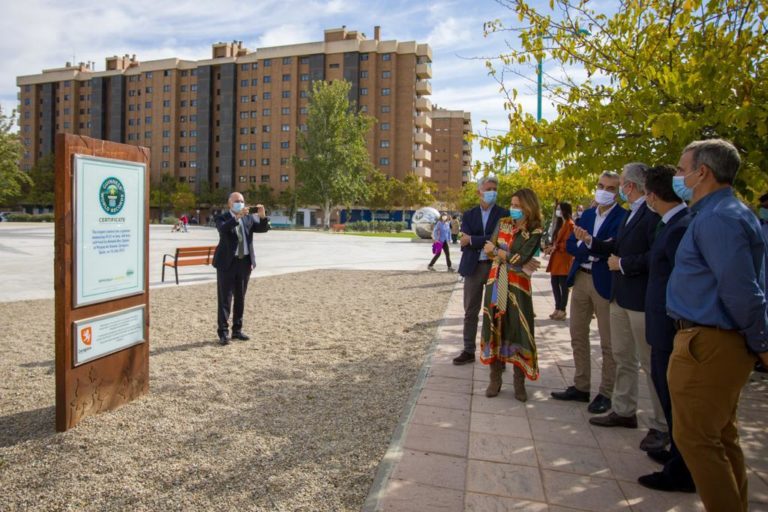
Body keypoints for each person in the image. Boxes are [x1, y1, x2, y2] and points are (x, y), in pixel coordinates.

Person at [666, 139, 768, 512]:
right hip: (711, 341)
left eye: (680, 169)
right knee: (720, 438)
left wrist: (762, 343)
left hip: (709, 343)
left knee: (696, 440)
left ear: (702, 172)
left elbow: (742, 291)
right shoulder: (722, 213)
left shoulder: (719, 218)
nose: (678, 176)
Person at [585, 163, 669, 454]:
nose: (618, 189)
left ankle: (662, 424)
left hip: (641, 299)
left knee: (651, 364)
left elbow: (655, 255)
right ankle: (624, 409)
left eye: (620, 184)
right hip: (620, 296)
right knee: (623, 357)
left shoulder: (653, 213)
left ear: (630, 187)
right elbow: (617, 245)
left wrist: (622, 264)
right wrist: (592, 242)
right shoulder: (633, 213)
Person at [634, 164, 695, 493]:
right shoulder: (669, 224)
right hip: (662, 322)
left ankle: (682, 469)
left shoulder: (680, 227)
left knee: (674, 398)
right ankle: (676, 454)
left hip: (671, 325)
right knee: (666, 391)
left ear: (652, 195)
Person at [550, 171, 626, 415]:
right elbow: (573, 245)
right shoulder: (589, 214)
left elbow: (613, 247)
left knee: (608, 342)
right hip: (581, 277)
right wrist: (589, 246)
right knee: (577, 334)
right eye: (601, 185)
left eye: (611, 188)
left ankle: (606, 392)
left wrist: (591, 245)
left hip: (604, 282)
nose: (604, 190)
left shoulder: (622, 217)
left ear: (619, 192)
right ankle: (581, 386)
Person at [480, 189, 543, 402]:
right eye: (512, 204)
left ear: (528, 206)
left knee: (518, 329)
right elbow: (489, 248)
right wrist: (505, 255)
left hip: (519, 287)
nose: (513, 209)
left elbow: (521, 257)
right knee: (495, 326)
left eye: (518, 205)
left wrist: (501, 253)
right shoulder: (504, 222)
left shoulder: (535, 230)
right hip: (496, 282)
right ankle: (495, 380)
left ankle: (519, 383)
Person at [453, 176, 507, 365]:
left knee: (495, 312)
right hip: (473, 268)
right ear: (479, 192)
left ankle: (495, 352)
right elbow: (466, 240)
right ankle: (468, 350)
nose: (492, 192)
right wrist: (481, 240)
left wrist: (474, 240)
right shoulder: (469, 214)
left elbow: (498, 239)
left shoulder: (504, 214)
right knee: (470, 311)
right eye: (488, 188)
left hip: (495, 268)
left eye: (494, 188)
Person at [213, 192, 270, 346]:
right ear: (229, 203)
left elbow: (262, 229)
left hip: (244, 263)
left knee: (240, 297)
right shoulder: (222, 217)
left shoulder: (248, 217)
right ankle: (223, 333)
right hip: (227, 264)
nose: (240, 203)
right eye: (237, 201)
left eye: (242, 201)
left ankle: (237, 330)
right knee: (225, 299)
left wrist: (263, 216)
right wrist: (236, 218)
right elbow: (223, 230)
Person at [545, 202, 575, 320]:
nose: (557, 210)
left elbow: (569, 243)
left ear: (564, 210)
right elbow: (556, 241)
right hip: (556, 258)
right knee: (554, 284)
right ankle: (557, 308)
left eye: (559, 208)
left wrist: (556, 247)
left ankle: (562, 310)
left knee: (563, 285)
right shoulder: (559, 224)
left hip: (564, 258)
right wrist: (551, 247)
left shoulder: (570, 224)